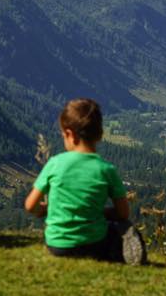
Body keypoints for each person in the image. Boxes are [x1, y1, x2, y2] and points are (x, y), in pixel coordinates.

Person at [24, 98, 146, 265]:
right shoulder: (106, 169)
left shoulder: (55, 163)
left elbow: (30, 205)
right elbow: (123, 214)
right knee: (123, 227)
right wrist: (95, 211)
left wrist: (49, 209)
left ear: (69, 134)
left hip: (57, 246)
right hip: (94, 246)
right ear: (100, 134)